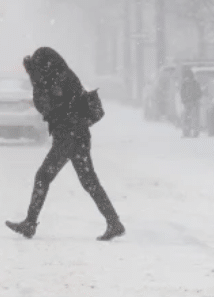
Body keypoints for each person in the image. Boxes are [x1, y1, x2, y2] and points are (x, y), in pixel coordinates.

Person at [6, 46, 125, 241]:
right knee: (89, 181)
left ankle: (30, 223)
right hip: (78, 134)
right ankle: (114, 222)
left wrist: (35, 77)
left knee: (43, 176)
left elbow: (43, 105)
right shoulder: (65, 75)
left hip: (68, 135)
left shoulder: (53, 80)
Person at [179, 68, 202, 138]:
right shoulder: (191, 84)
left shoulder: (188, 84)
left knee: (190, 118)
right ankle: (189, 132)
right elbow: (182, 93)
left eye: (187, 77)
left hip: (192, 103)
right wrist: (185, 100)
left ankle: (192, 133)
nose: (187, 79)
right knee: (190, 118)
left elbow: (182, 93)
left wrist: (185, 100)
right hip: (189, 103)